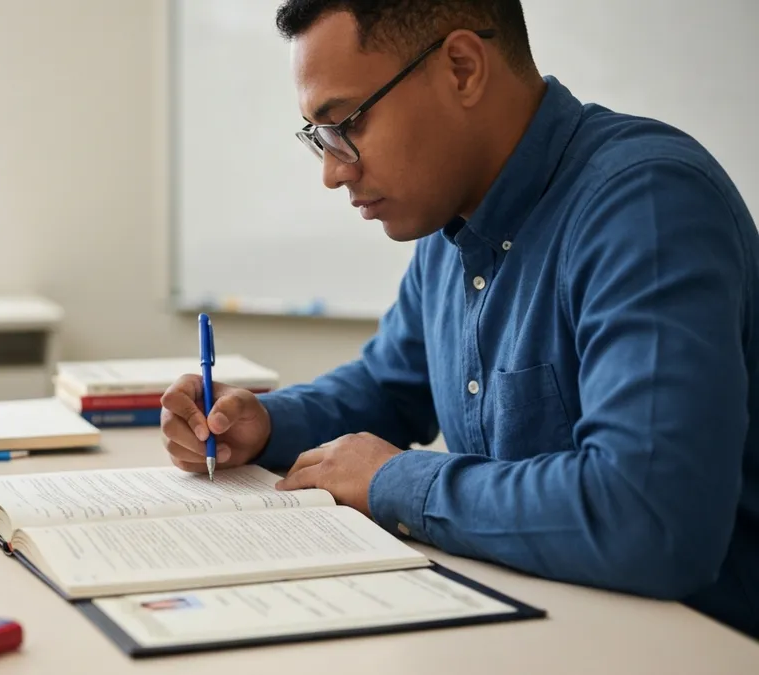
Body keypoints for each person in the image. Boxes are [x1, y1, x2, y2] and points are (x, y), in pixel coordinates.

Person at [159, 0, 759, 640]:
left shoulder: (647, 205)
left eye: (346, 123)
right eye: (318, 137)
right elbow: (388, 388)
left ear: (464, 68)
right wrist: (265, 421)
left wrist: (395, 482)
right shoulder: (450, 224)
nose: (334, 172)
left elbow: (649, 518)